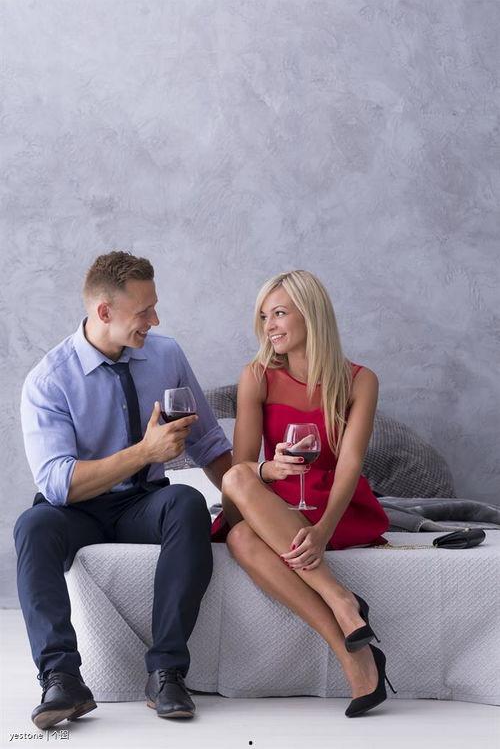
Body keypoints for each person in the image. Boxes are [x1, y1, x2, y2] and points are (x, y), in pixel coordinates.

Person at [14, 251, 232, 729]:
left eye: (154, 307)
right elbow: (58, 483)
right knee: (32, 526)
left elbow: (209, 443)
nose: (155, 320)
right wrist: (144, 452)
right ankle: (61, 679)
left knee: (187, 501)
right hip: (76, 509)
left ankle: (167, 672)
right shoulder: (49, 380)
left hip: (142, 502)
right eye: (144, 311)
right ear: (104, 311)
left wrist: (246, 506)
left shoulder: (166, 355)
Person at [216, 270, 396, 718]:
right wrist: (269, 469)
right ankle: (342, 605)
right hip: (276, 499)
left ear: (311, 315)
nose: (269, 326)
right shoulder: (256, 376)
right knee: (237, 488)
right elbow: (242, 465)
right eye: (264, 317)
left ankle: (356, 657)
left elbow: (350, 463)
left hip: (333, 506)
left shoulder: (360, 380)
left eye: (279, 313)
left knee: (241, 540)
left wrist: (323, 530)